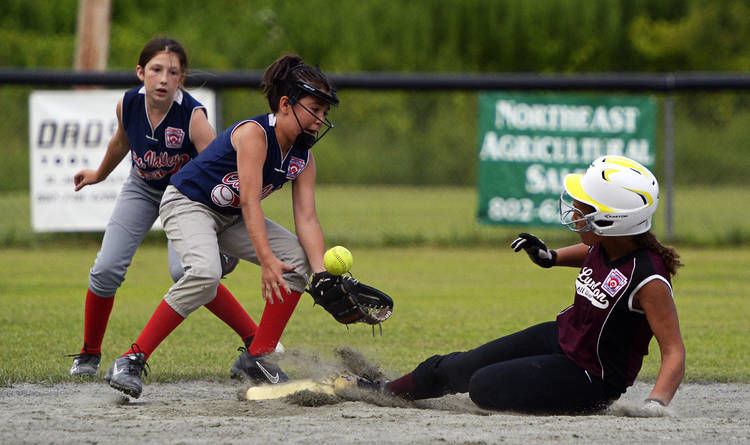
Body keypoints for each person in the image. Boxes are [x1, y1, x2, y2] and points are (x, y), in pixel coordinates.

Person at [343, 155, 685, 415]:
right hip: (562, 338)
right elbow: (592, 251)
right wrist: (551, 257)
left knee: (483, 386)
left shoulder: (649, 278)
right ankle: (383, 390)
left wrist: (655, 404)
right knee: (459, 367)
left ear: (611, 221)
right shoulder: (607, 244)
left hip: (589, 377)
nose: (576, 211)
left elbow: (674, 352)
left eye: (585, 208)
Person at [105, 53, 340, 399]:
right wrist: (265, 260)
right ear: (286, 104)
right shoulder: (255, 134)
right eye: (314, 109)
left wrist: (321, 273)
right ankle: (132, 358)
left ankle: (257, 357)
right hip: (187, 203)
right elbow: (249, 201)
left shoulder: (304, 158)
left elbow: (307, 219)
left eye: (324, 113)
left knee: (298, 259)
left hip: (227, 217)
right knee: (204, 273)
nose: (320, 119)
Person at [69, 37, 260, 378]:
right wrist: (98, 174)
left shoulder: (193, 116)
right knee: (106, 269)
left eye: (173, 72)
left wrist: (225, 224)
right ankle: (89, 354)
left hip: (186, 197)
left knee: (189, 273)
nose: (163, 79)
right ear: (140, 72)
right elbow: (121, 142)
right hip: (142, 188)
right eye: (155, 69)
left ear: (181, 78)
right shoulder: (128, 103)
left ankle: (255, 339)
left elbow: (221, 169)